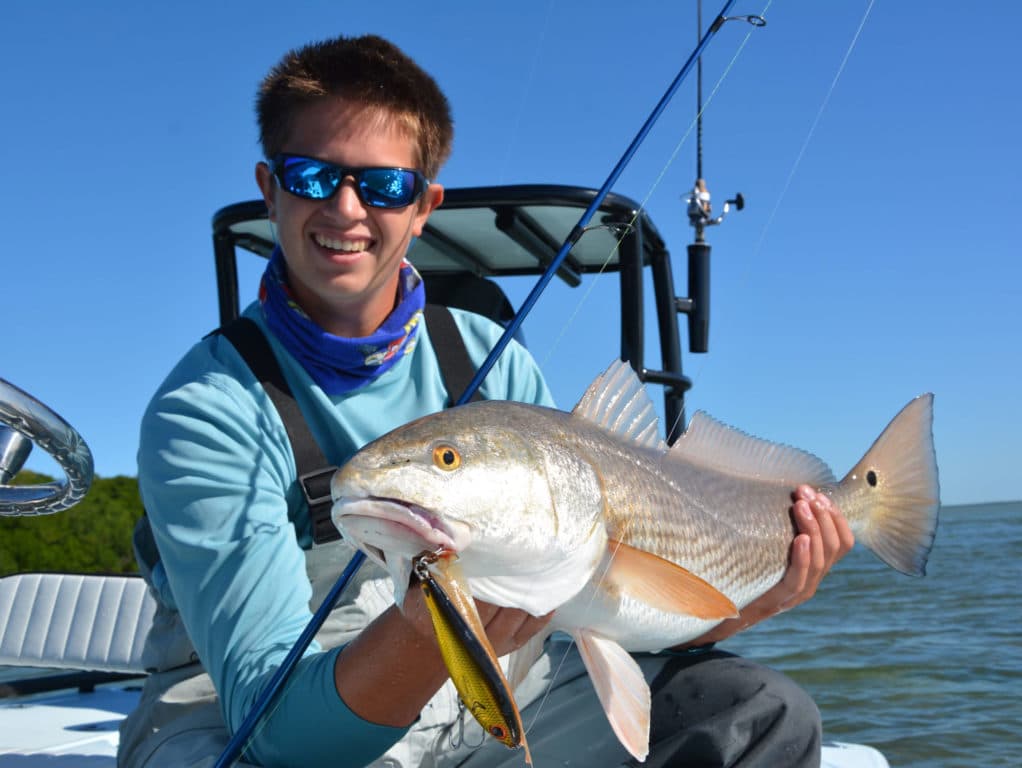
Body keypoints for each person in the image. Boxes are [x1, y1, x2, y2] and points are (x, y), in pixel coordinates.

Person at [118, 33, 853, 768]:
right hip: (239, 727)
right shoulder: (208, 409)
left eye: (383, 186)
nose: (346, 208)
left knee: (755, 716)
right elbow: (275, 731)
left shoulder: (488, 359)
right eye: (312, 177)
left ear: (423, 206)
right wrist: (436, 627)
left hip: (483, 708)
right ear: (270, 190)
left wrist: (749, 600)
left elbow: (598, 602)